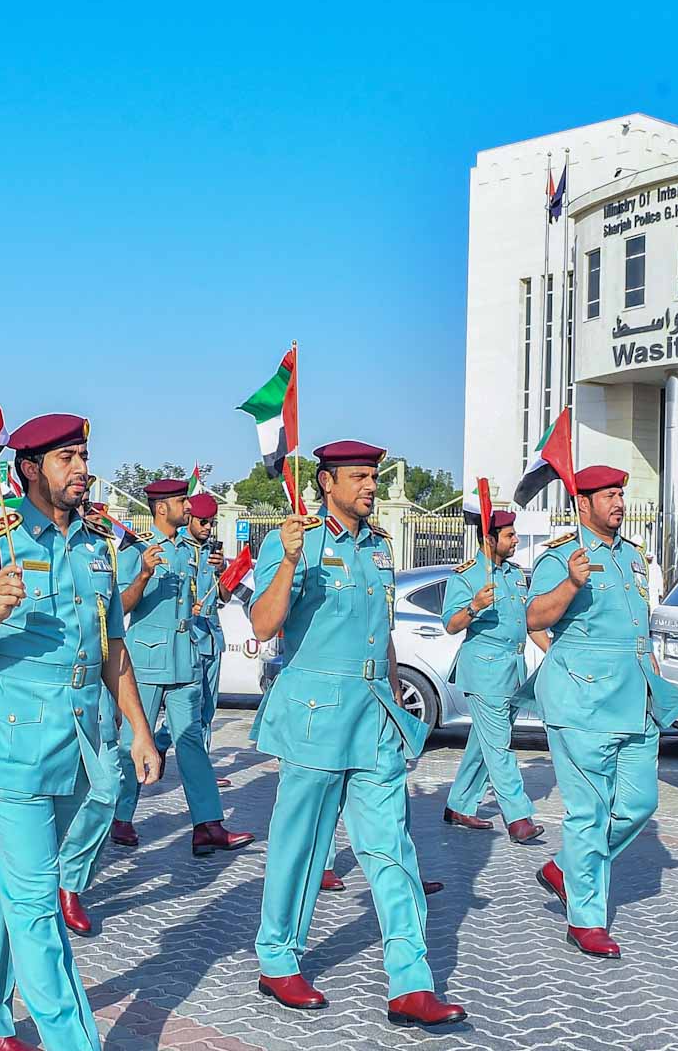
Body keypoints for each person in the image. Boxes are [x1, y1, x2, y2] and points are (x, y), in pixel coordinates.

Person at [0, 413, 163, 1051]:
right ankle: (75, 1041)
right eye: (67, 458)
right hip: (10, 742)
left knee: (18, 889)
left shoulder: (98, 545)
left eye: (84, 456)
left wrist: (140, 733)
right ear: (31, 468)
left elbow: (112, 648)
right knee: (38, 903)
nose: (82, 469)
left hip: (79, 741)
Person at [247, 440, 464, 1027]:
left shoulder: (379, 547)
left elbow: (382, 634)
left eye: (373, 476)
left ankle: (411, 983)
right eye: (360, 477)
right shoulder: (294, 540)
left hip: (372, 717)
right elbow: (264, 623)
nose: (371, 486)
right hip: (316, 715)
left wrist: (395, 698)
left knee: (392, 848)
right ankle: (278, 959)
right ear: (327, 482)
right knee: (303, 847)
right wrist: (290, 561)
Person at [525, 465, 678, 959]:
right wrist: (572, 584)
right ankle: (586, 918)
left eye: (621, 494)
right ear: (584, 504)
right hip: (583, 700)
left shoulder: (633, 558)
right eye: (609, 495)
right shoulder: (563, 557)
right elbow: (533, 617)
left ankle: (564, 868)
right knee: (588, 814)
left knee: (640, 804)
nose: (619, 502)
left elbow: (637, 626)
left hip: (635, 698)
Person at [110, 478, 250, 856]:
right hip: (147, 661)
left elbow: (205, 598)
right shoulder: (136, 549)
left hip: (185, 658)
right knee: (131, 743)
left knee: (191, 740)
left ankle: (208, 825)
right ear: (161, 508)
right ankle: (121, 817)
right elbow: (119, 607)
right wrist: (142, 575)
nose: (188, 507)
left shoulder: (190, 550)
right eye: (181, 501)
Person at [440, 505, 552, 844]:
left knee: (485, 743)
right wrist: (474, 606)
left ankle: (458, 805)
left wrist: (553, 651)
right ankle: (518, 817)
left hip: (513, 671)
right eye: (510, 535)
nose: (516, 539)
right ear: (490, 539)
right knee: (500, 746)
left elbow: (529, 622)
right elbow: (450, 624)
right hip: (485, 672)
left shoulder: (515, 574)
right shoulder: (468, 575)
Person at [53, 498, 130, 937]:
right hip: (39, 696)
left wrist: (134, 720)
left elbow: (114, 635)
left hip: (94, 691)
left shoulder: (101, 549)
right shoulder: (9, 541)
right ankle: (43, 884)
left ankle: (71, 881)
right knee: (51, 799)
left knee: (105, 791)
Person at [184, 493, 230, 769]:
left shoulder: (213, 552)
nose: (207, 528)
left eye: (211, 523)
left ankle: (203, 767)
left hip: (212, 638)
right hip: (189, 637)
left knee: (207, 708)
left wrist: (223, 569)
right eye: (202, 522)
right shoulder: (179, 549)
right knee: (188, 707)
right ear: (189, 518)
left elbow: (225, 595)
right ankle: (163, 743)